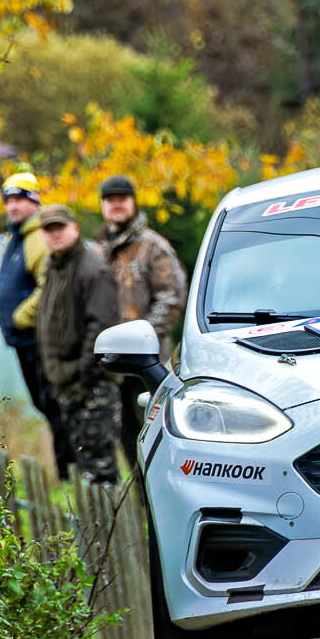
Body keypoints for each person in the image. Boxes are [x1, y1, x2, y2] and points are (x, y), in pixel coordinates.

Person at [97, 173, 186, 463]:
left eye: (122, 198)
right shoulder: (98, 250)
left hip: (147, 364)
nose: (116, 204)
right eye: (110, 199)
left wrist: (140, 341)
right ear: (102, 205)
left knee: (155, 441)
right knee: (127, 442)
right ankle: (138, 494)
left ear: (133, 202)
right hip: (112, 367)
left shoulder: (153, 246)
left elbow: (172, 297)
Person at [34, 204, 122, 484]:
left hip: (91, 386)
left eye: (59, 227)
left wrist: (83, 373)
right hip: (66, 384)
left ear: (75, 228)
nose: (54, 234)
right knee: (84, 465)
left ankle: (110, 514)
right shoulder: (53, 267)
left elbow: (102, 328)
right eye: (48, 229)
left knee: (100, 468)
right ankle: (95, 513)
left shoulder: (93, 269)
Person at [0, 170, 71, 478]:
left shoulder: (37, 237)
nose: (12, 206)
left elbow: (50, 285)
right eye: (8, 201)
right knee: (46, 406)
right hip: (24, 343)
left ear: (34, 201)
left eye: (19, 200)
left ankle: (70, 475)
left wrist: (20, 317)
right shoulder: (18, 237)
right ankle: (67, 474)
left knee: (55, 406)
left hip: (40, 340)